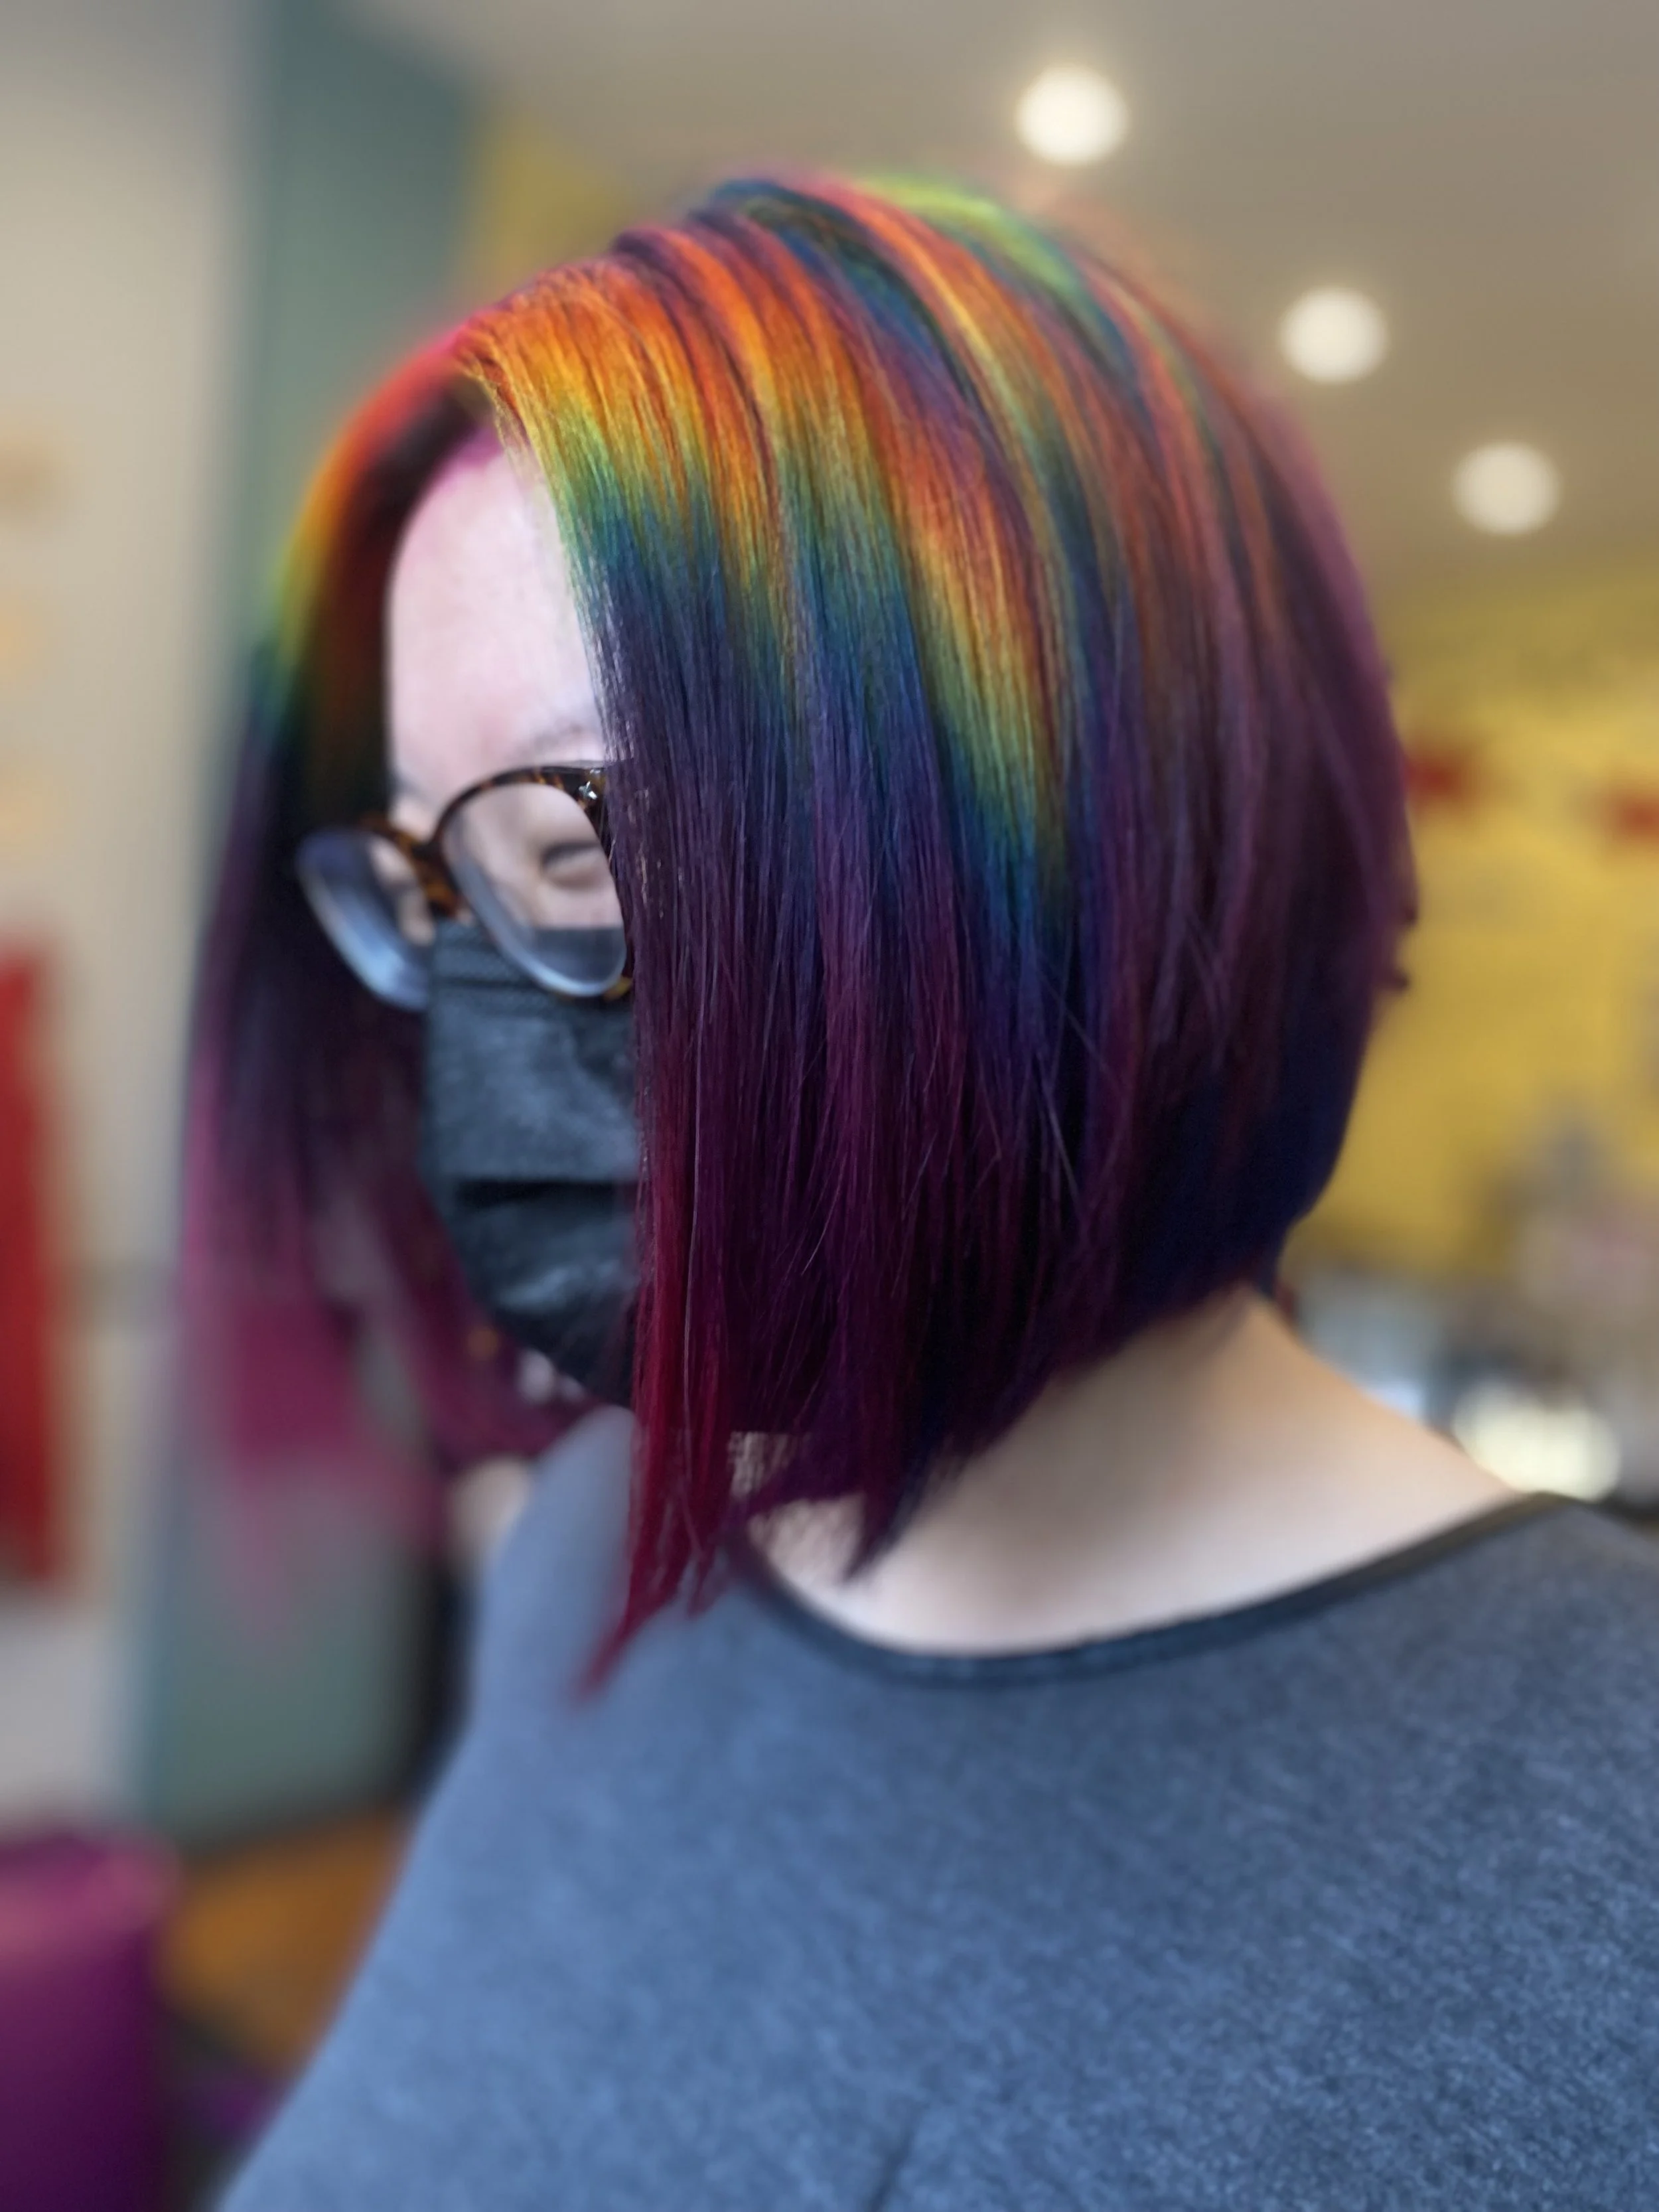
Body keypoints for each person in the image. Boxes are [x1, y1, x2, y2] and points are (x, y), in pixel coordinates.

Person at [194, 178, 1659, 2208]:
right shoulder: (598, 1548)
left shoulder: (1606, 1847)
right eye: (434, 874)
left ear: (1107, 826)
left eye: (587, 833)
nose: (477, 1005)